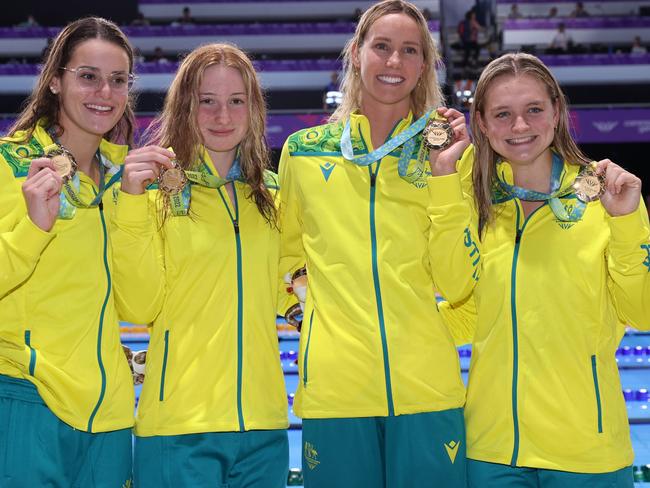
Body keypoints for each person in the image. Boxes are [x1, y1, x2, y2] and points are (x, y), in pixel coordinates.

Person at [428, 52, 649, 487]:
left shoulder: (606, 196)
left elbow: (641, 312)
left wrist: (624, 223)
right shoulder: (471, 200)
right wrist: (442, 178)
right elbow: (455, 290)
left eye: (533, 110)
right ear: (483, 124)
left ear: (557, 112)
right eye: (503, 115)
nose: (520, 127)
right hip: (492, 452)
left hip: (587, 452)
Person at [278, 1, 469, 486]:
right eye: (381, 47)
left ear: (424, 64)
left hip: (427, 389)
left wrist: (447, 178)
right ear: (356, 53)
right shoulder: (302, 151)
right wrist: (310, 325)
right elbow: (285, 257)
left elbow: (460, 280)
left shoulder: (446, 155)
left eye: (410, 50)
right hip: (336, 391)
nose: (394, 62)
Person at [111, 43, 291, 488]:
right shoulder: (152, 191)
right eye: (206, 101)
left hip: (263, 427)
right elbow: (137, 304)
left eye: (236, 102)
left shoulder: (271, 195)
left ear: (254, 108)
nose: (222, 116)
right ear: (185, 106)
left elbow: (291, 288)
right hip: (179, 427)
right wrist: (132, 206)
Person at [0, 17, 137, 487]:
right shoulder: (7, 163)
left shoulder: (129, 183)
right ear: (56, 81)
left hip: (112, 415)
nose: (105, 92)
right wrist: (32, 228)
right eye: (88, 76)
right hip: (26, 396)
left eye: (118, 80)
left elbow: (143, 297)